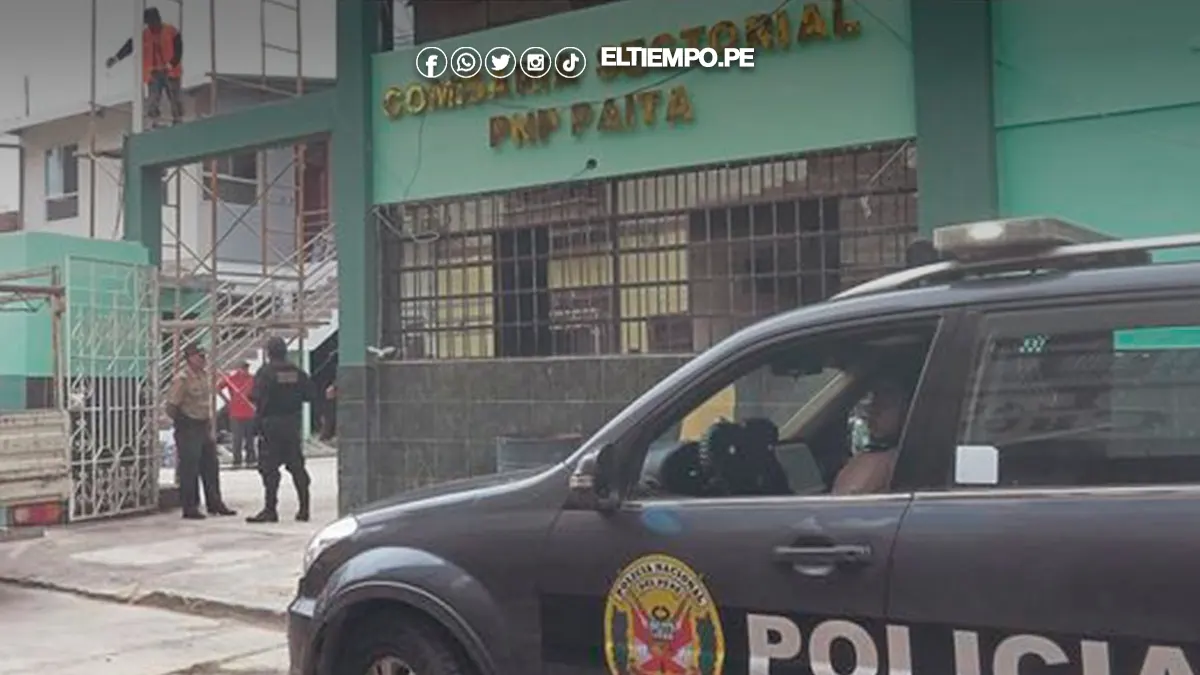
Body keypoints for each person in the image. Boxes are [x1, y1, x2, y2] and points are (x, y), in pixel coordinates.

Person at [247, 337, 316, 523]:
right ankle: (304, 509)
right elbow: (310, 394)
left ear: (269, 353)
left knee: (269, 469)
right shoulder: (296, 372)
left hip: (270, 425)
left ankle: (270, 510)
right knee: (297, 467)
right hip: (291, 425)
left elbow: (255, 396)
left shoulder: (265, 372)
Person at [166, 344, 236, 519]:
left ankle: (215, 503)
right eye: (200, 356)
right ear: (190, 358)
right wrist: (183, 422)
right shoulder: (182, 379)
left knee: (211, 466)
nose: (203, 360)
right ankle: (190, 506)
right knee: (190, 468)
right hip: (188, 426)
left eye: (204, 356)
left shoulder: (205, 376)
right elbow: (171, 406)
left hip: (203, 425)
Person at [831, 375, 912, 495]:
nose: (872, 412)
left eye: (884, 405)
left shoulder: (882, 462)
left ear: (909, 409)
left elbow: (846, 502)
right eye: (873, 404)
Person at [106, 7, 184, 126]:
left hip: (171, 72)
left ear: (158, 19)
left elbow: (179, 50)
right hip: (153, 73)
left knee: (174, 97)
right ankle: (154, 122)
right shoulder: (144, 35)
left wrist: (172, 63)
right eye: (149, 22)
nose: (152, 24)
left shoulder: (171, 31)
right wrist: (116, 58)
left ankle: (178, 120)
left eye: (153, 21)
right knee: (153, 99)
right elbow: (129, 46)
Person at [219, 361, 257, 468]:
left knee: (250, 438)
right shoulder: (232, 379)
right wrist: (227, 400)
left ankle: (251, 460)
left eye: (246, 368)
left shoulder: (252, 379)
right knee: (237, 439)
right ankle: (237, 461)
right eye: (243, 368)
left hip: (250, 412)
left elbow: (259, 390)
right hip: (236, 413)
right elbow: (218, 388)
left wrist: (255, 401)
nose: (245, 370)